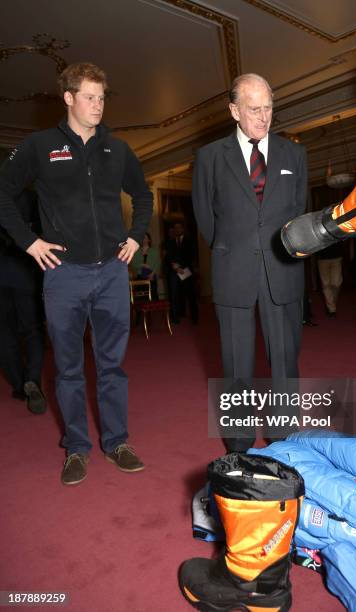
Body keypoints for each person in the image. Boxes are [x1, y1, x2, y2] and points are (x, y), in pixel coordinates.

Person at [0, 62, 152, 484]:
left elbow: (142, 195)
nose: (97, 105)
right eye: (89, 97)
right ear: (68, 98)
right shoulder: (39, 145)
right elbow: (3, 194)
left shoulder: (117, 149)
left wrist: (137, 235)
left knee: (111, 367)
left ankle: (117, 441)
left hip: (111, 274)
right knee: (67, 369)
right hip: (63, 275)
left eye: (102, 98)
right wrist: (29, 242)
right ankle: (76, 449)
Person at [192, 73, 307, 451]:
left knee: (285, 364)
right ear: (234, 110)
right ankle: (239, 443)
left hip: (282, 269)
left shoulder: (295, 154)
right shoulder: (209, 157)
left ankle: (284, 438)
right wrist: (232, 248)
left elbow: (298, 210)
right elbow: (206, 219)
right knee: (236, 366)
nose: (264, 116)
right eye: (254, 109)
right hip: (233, 270)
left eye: (269, 107)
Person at [0, 189, 46, 413]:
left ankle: (20, 385)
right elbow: (41, 231)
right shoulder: (27, 195)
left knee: (4, 334)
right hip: (24, 271)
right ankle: (33, 380)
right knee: (32, 330)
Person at [164, 221, 199, 324]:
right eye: (175, 228)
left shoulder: (190, 241)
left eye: (179, 227)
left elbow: (191, 255)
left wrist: (180, 266)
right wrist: (174, 266)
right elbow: (168, 257)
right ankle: (175, 319)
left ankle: (194, 318)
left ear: (183, 229)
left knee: (190, 295)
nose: (177, 229)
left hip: (186, 270)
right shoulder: (170, 242)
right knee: (174, 295)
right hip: (174, 271)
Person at [130, 231, 160, 299]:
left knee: (153, 296)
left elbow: (158, 264)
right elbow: (133, 264)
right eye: (143, 238)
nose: (144, 239)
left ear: (149, 240)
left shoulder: (154, 251)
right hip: (139, 277)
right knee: (141, 297)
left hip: (151, 276)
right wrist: (142, 265)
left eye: (146, 238)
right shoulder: (136, 251)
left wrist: (152, 274)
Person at [317, 243, 343, 317]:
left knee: (336, 284)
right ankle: (332, 309)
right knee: (326, 285)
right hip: (322, 257)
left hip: (337, 255)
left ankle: (331, 304)